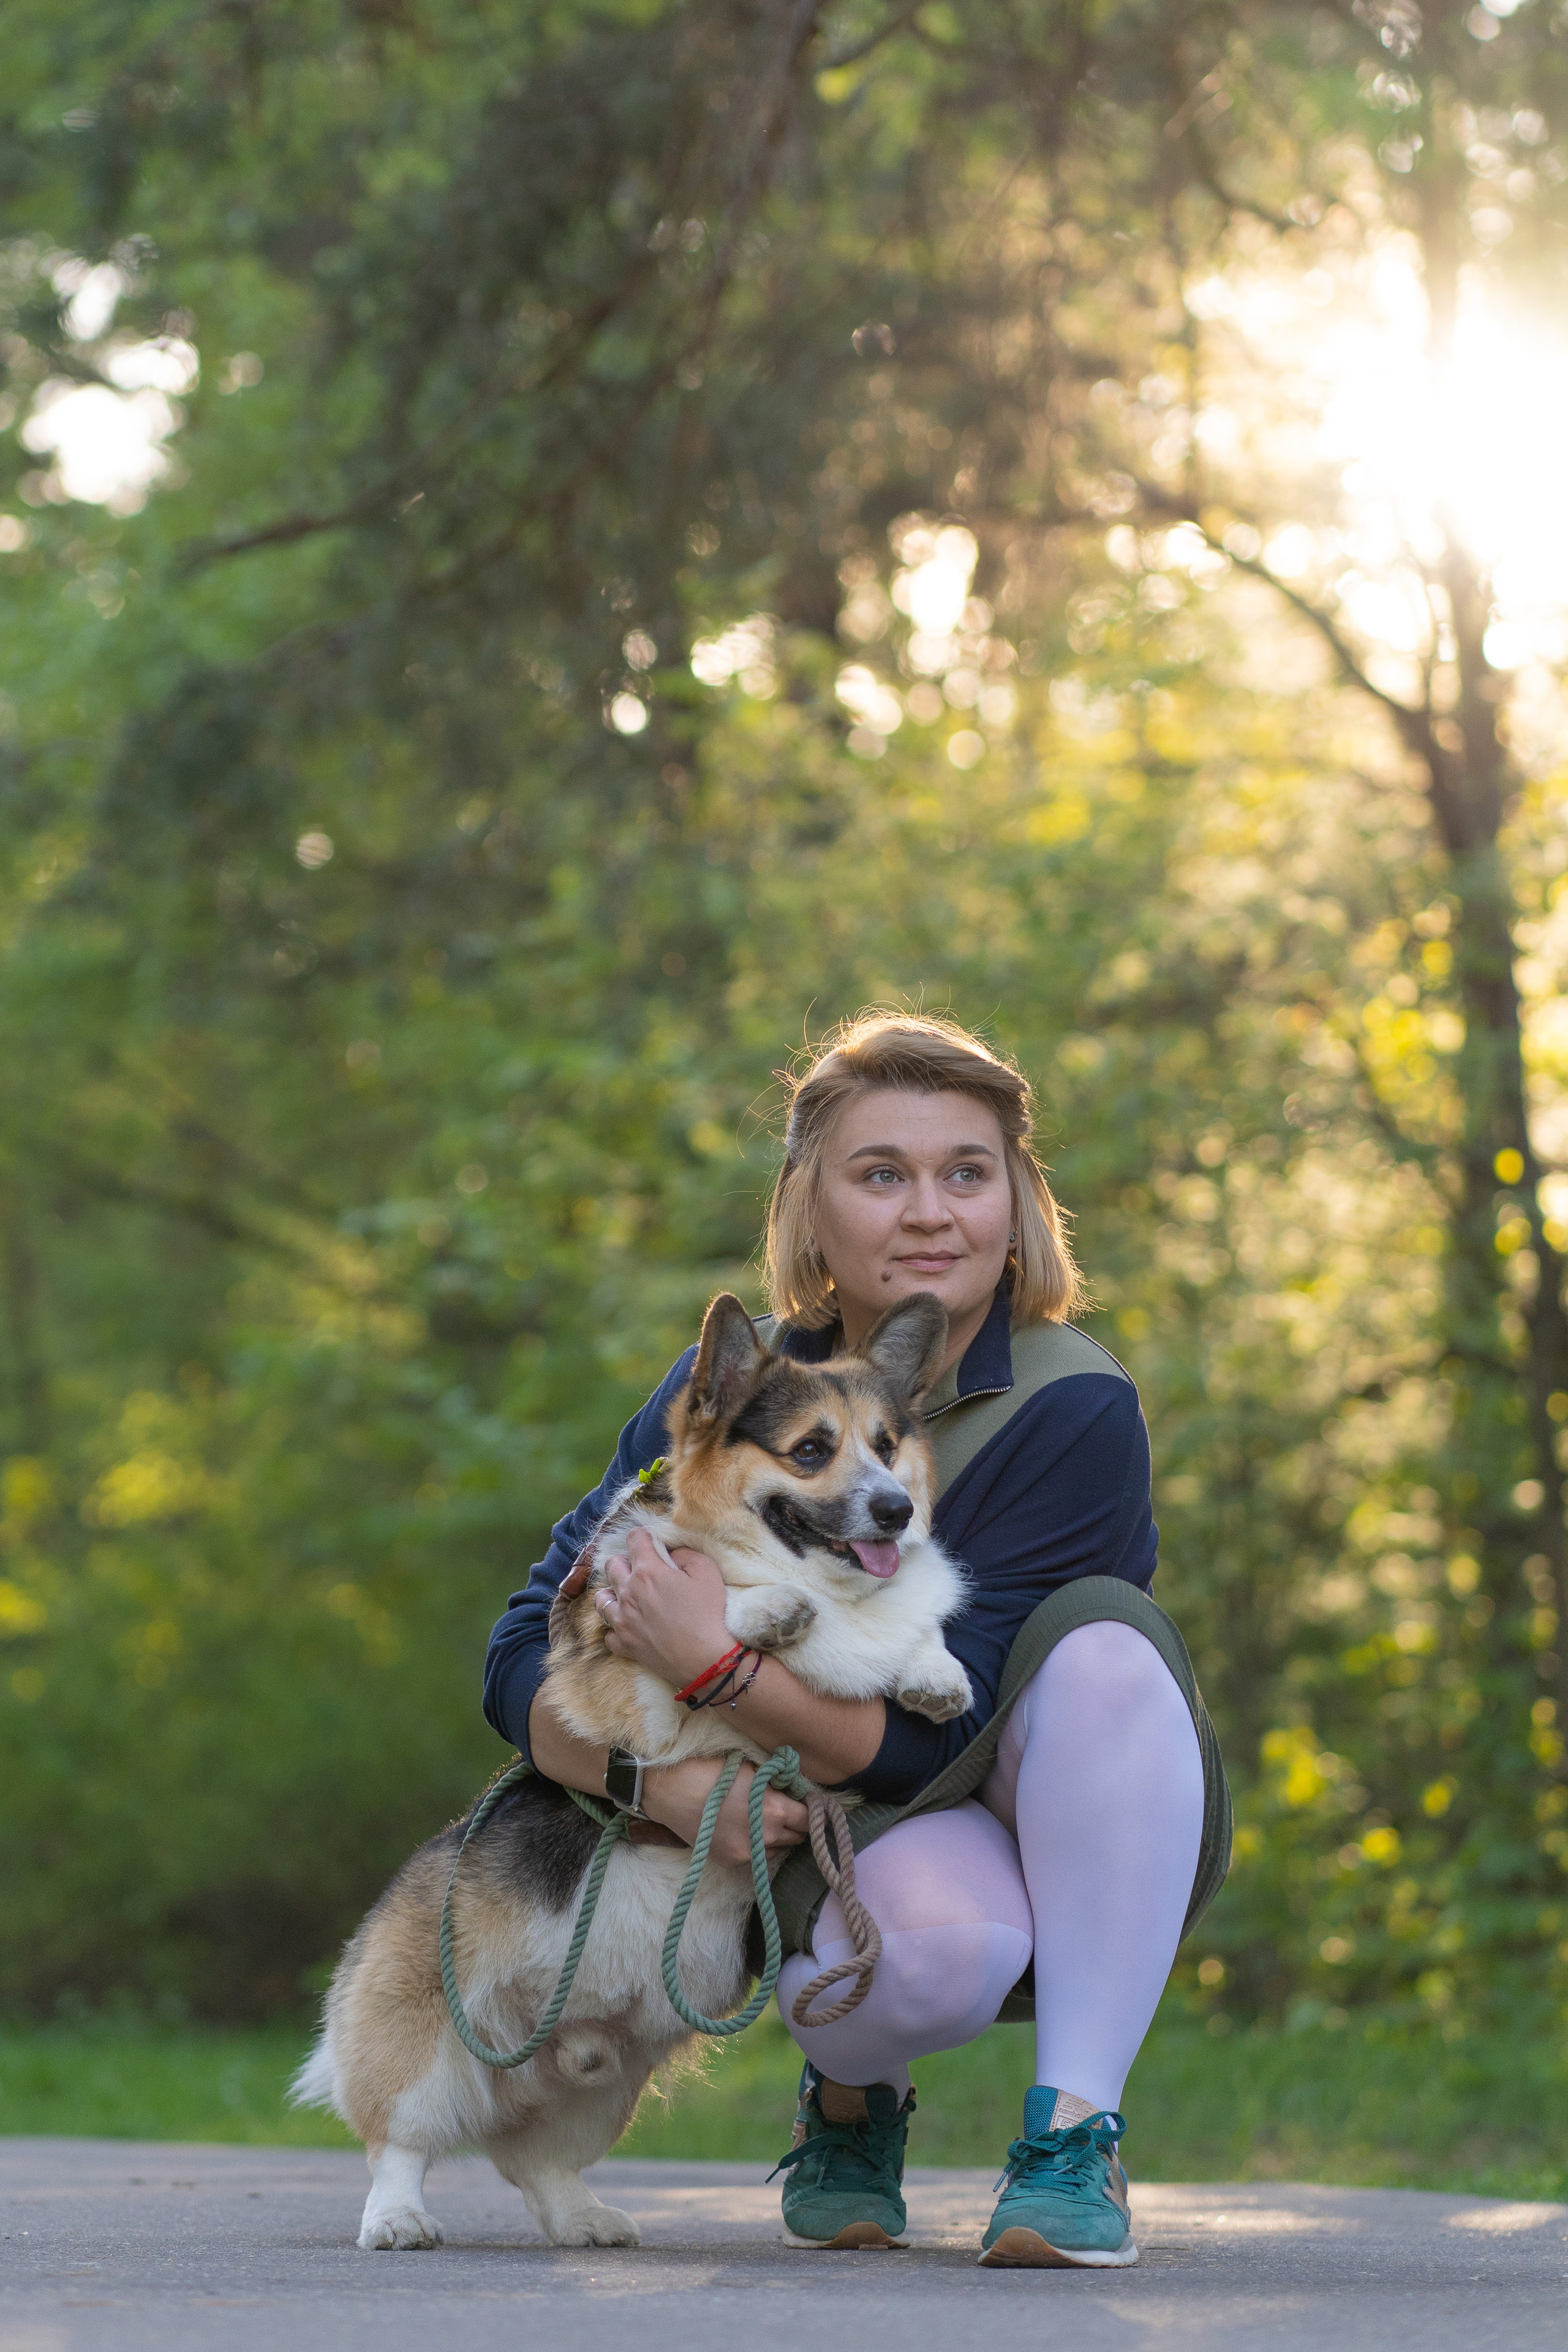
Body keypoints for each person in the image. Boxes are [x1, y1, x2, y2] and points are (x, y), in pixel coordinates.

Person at [484, 1011, 1228, 2267]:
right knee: (933, 1961)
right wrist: (655, 1787)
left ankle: (1074, 2137)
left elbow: (939, 1732)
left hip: (1028, 1793)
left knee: (1110, 1650)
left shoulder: (1072, 1403)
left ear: (1015, 1204)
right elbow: (519, 1654)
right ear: (809, 1209)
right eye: (881, 1174)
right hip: (827, 1831)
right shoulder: (731, 1395)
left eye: (966, 1173)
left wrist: (713, 1665)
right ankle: (847, 2100)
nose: (929, 1212)